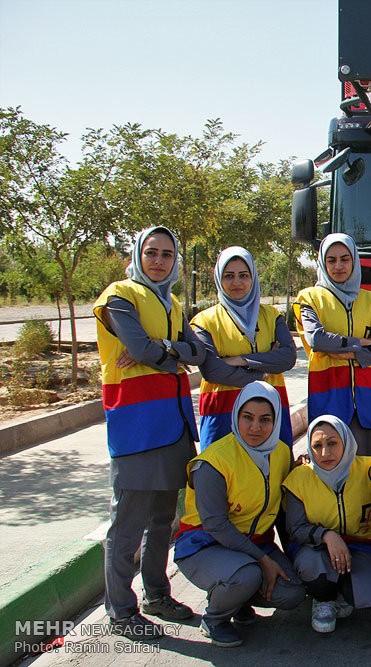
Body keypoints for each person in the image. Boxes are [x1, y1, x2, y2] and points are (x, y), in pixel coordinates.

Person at [93, 225, 205, 636]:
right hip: (136, 427)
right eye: (151, 252)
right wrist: (167, 351)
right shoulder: (119, 296)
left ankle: (157, 594)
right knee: (126, 525)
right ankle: (121, 611)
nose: (158, 261)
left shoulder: (173, 303)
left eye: (167, 254)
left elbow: (197, 352)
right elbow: (137, 350)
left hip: (173, 426)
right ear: (138, 254)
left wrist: (167, 349)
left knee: (163, 522)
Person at [173, 382, 304, 648]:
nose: (255, 427)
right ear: (236, 416)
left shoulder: (280, 452)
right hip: (204, 545)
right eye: (248, 418)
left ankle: (238, 600)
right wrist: (263, 560)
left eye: (265, 419)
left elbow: (281, 512)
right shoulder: (214, 462)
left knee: (293, 593)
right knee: (246, 576)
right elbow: (215, 525)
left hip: (255, 543)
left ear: (276, 420)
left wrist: (291, 552)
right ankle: (215, 618)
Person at [294, 233, 371, 456]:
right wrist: (361, 343)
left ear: (354, 261)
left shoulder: (369, 300)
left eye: (345, 259)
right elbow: (317, 339)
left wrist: (353, 354)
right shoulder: (310, 298)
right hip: (328, 396)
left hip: (368, 400)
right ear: (322, 263)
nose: (338, 266)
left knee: (368, 469)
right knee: (330, 466)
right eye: (331, 260)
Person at [283, 415, 371, 634]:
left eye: (332, 443)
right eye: (316, 446)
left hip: (361, 545)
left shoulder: (369, 469)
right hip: (314, 549)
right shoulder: (300, 477)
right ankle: (323, 598)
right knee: (312, 568)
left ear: (346, 441)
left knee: (366, 597)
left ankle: (344, 590)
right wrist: (327, 536)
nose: (325, 453)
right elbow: (295, 527)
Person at [191, 246, 296, 450]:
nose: (237, 282)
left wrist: (240, 360)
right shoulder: (204, 321)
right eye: (229, 276)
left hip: (270, 412)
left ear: (253, 277)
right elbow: (213, 371)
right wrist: (264, 369)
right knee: (221, 475)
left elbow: (288, 357)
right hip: (223, 412)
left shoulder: (271, 316)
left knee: (272, 474)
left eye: (243, 275)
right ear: (219, 279)